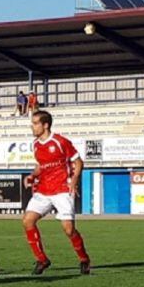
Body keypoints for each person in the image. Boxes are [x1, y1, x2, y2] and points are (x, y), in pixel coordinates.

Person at [23, 110, 90, 275]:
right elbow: (41, 166)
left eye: (35, 123)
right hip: (43, 190)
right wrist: (32, 175)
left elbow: (78, 162)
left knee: (68, 230)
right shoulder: (36, 144)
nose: (32, 127)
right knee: (27, 221)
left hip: (61, 189)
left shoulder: (60, 141)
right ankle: (42, 259)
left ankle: (84, 259)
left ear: (45, 125)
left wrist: (73, 181)